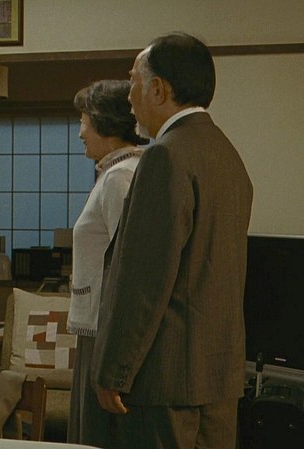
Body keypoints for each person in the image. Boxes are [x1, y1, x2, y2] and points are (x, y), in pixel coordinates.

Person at [91, 32, 253, 449]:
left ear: (159, 89)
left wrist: (114, 372)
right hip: (219, 377)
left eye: (133, 82)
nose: (129, 96)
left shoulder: (165, 156)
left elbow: (144, 280)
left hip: (166, 381)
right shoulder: (227, 155)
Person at [66, 80, 149, 447]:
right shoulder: (115, 171)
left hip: (105, 325)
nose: (80, 132)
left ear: (103, 123)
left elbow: (128, 265)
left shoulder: (121, 177)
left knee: (97, 433)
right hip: (96, 323)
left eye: (83, 121)